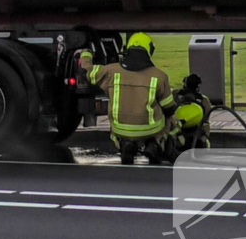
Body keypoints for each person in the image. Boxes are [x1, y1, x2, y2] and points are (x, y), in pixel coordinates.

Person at [79, 33, 179, 165]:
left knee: (118, 127)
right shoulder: (159, 76)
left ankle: (125, 144)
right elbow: (169, 108)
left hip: (120, 128)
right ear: (149, 50)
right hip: (151, 128)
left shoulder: (111, 71)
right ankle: (155, 144)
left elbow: (87, 72)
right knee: (170, 120)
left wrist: (86, 54)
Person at [172, 74, 212, 151]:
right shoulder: (204, 101)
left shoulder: (175, 95)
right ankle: (203, 143)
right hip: (196, 133)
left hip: (178, 129)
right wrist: (205, 137)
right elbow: (205, 122)